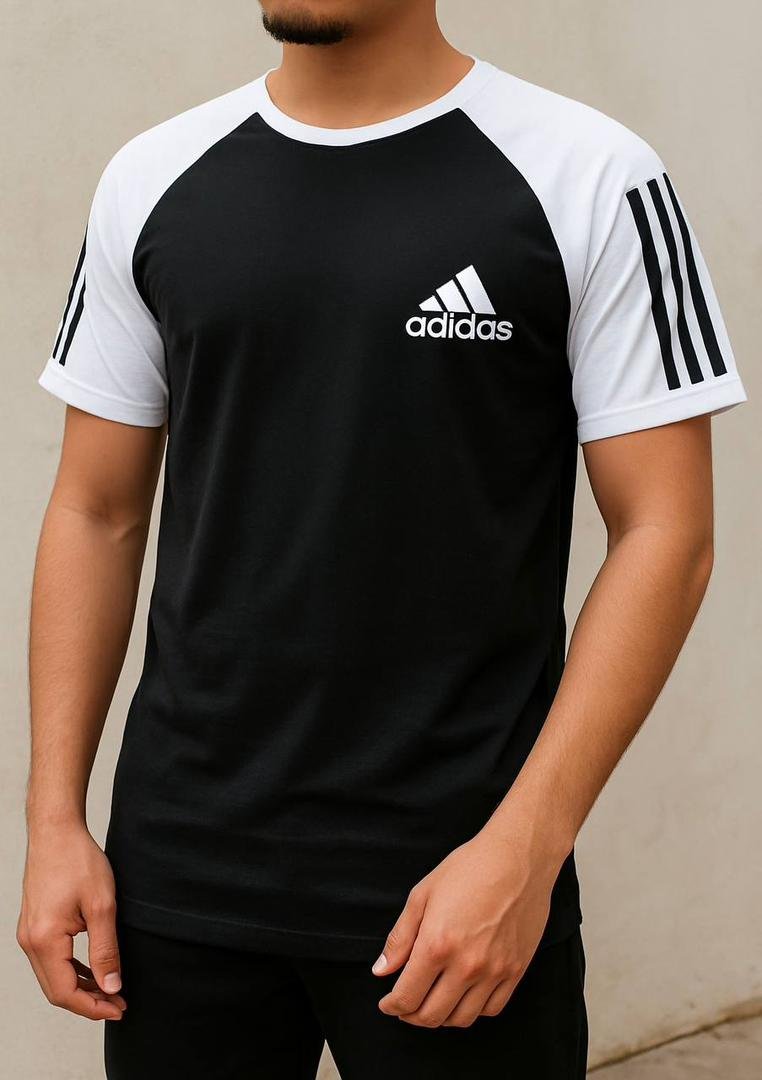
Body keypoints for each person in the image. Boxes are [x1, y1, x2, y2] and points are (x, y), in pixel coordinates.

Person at [18, 2, 747, 1077]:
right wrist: (53, 823)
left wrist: (526, 850)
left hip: (456, 889)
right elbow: (95, 509)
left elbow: (666, 534)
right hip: (178, 880)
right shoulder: (153, 177)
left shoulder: (590, 174)